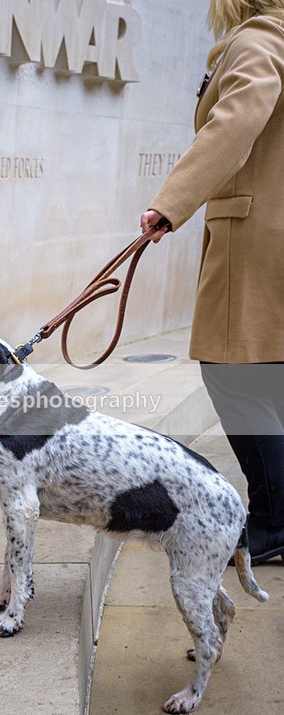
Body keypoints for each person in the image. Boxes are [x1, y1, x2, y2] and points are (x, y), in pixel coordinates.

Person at [141, 0, 284, 564]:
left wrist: (171, 202)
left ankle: (274, 525)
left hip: (255, 239)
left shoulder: (257, 38)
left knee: (232, 374)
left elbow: (239, 117)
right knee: (265, 377)